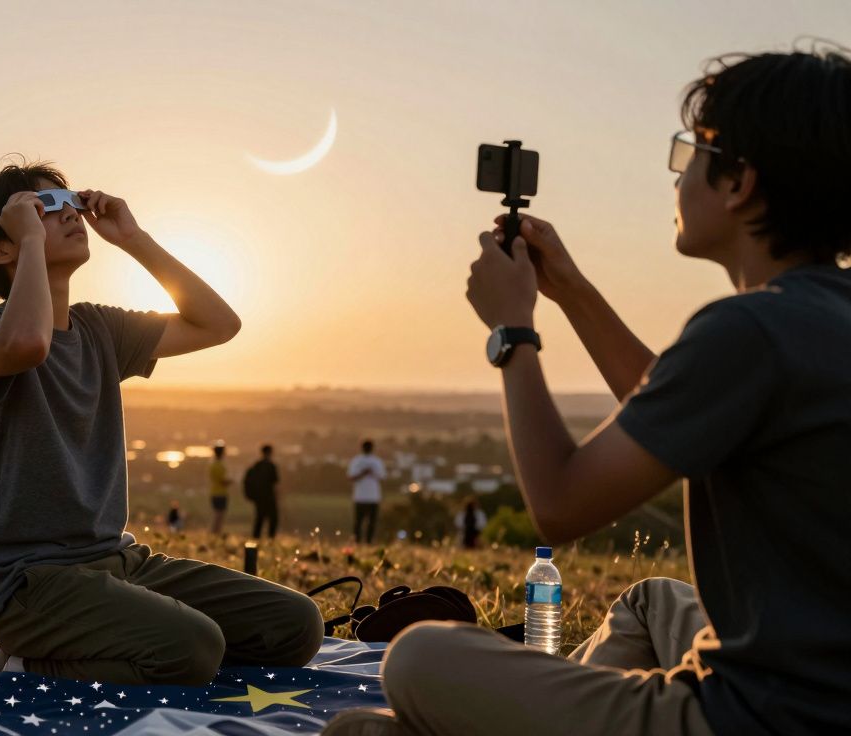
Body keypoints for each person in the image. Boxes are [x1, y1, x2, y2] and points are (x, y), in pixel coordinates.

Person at [324, 47, 851, 736]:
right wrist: (571, 290)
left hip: (758, 715)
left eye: (688, 154)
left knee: (418, 655)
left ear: (738, 182)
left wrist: (512, 330)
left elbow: (560, 504)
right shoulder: (812, 317)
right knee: (652, 601)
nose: (678, 175)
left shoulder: (748, 329)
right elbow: (674, 401)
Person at [0, 162, 323, 685]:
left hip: (119, 563)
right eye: (44, 208)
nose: (71, 214)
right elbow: (27, 345)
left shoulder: (101, 329)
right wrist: (32, 240)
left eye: (70, 201)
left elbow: (219, 324)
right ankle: (25, 662)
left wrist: (133, 238)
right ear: (2, 247)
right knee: (194, 647)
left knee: (295, 626)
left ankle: (136, 648)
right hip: (26, 584)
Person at [347, 439, 387, 544]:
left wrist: (371, 473)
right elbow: (351, 477)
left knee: (370, 522)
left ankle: (368, 542)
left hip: (372, 497)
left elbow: (382, 477)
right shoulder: (358, 461)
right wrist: (364, 473)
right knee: (359, 522)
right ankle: (358, 541)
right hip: (362, 496)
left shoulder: (375, 461)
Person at [244, 444, 281, 539]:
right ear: (270, 453)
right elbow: (275, 484)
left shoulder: (256, 466)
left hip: (258, 498)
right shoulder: (271, 466)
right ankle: (271, 538)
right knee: (273, 519)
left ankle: (256, 538)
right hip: (269, 497)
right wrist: (277, 497)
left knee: (259, 518)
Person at [208, 441, 232, 534]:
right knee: (219, 515)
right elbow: (222, 481)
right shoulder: (219, 465)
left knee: (217, 514)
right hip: (220, 493)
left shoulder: (213, 464)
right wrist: (229, 481)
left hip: (215, 492)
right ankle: (215, 532)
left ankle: (215, 532)